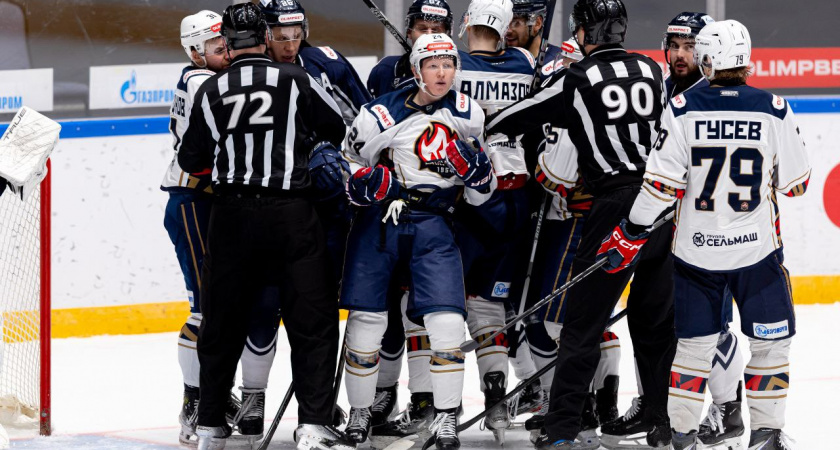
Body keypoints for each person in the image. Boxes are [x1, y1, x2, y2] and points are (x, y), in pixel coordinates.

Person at [597, 19, 810, 450]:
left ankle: (682, 435)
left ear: (708, 59)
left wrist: (630, 231)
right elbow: (797, 185)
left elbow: (659, 188)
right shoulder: (774, 108)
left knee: (693, 348)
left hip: (696, 254)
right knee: (770, 346)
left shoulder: (680, 108)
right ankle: (766, 435)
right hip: (757, 253)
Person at [486, 0, 677, 448]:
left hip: (614, 209)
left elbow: (514, 118)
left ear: (586, 32)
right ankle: (660, 421)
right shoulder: (651, 69)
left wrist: (489, 122)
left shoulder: (577, 78)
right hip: (663, 206)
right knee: (654, 325)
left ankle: (562, 429)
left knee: (582, 325)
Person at [176, 3, 352, 450]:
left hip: (231, 217)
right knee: (312, 321)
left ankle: (210, 425)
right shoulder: (295, 79)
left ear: (227, 42)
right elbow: (336, 128)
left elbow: (191, 160)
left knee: (222, 322)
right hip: (292, 215)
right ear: (266, 38)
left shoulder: (211, 89)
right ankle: (313, 424)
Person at [340, 33, 495, 450]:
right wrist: (364, 184)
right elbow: (347, 163)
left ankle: (445, 417)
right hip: (381, 222)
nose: (442, 73)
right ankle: (360, 411)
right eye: (433, 65)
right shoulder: (378, 115)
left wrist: (479, 174)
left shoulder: (468, 113)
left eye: (448, 64)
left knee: (447, 323)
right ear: (415, 69)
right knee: (367, 323)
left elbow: (481, 194)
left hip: (435, 223)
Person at [599, 12, 747, 450]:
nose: (681, 55)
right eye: (675, 46)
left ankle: (729, 408)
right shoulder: (660, 92)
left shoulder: (717, 95)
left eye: (690, 47)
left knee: (706, 323)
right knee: (650, 320)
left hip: (709, 229)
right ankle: (655, 406)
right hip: (664, 227)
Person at [161, 10, 240, 446]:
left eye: (225, 41)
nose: (224, 49)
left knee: (220, 305)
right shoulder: (199, 81)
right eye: (215, 46)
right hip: (193, 199)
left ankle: (211, 392)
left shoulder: (205, 75)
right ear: (195, 52)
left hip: (207, 200)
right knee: (205, 307)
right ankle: (194, 401)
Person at [259, 0, 371, 125]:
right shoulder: (248, 75)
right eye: (282, 38)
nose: (291, 48)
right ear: (263, 35)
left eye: (296, 36)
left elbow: (369, 123)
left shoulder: (328, 65)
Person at [367, 0, 454, 99]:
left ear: (447, 35)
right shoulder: (385, 70)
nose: (429, 36)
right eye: (423, 29)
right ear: (409, 32)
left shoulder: (462, 72)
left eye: (436, 30)